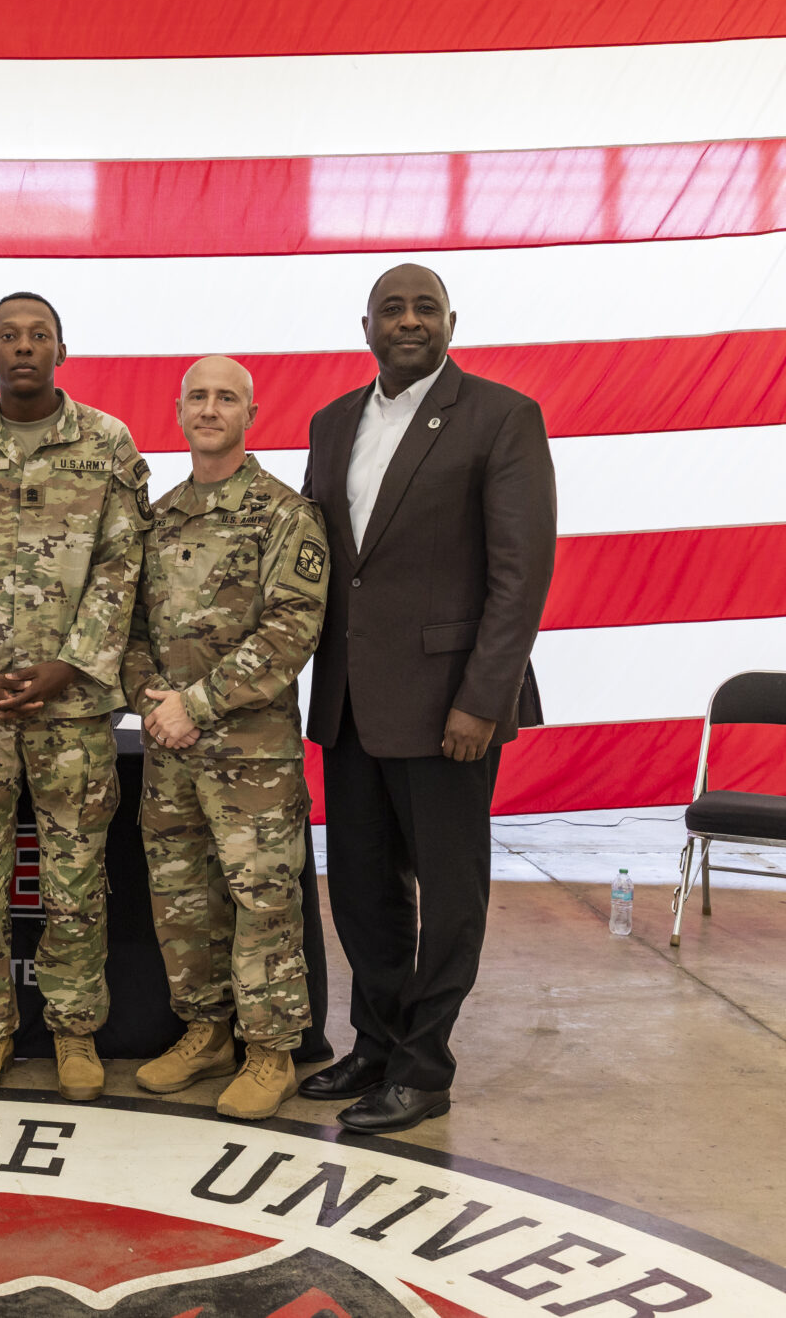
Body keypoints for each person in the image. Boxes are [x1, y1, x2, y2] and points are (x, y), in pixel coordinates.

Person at [299, 264, 557, 1133]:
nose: (408, 321)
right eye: (391, 309)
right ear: (365, 325)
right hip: (349, 703)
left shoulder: (501, 416)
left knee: (449, 895)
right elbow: (321, 564)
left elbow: (519, 576)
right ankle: (374, 1043)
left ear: (451, 320)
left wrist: (483, 696)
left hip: (450, 705)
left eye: (424, 308)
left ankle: (424, 1064)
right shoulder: (332, 424)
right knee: (363, 892)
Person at [0, 291, 151, 1102]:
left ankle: (74, 1032)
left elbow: (123, 567)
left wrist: (72, 665)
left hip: (72, 710)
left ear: (60, 349)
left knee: (75, 879)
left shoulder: (108, 444)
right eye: (8, 336)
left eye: (37, 335)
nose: (23, 347)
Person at [123, 356, 330, 1121]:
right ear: (178, 410)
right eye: (199, 396)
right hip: (170, 752)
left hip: (252, 758)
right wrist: (149, 695)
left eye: (227, 397)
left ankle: (270, 1050)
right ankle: (206, 1031)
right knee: (182, 900)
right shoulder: (160, 515)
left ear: (250, 412)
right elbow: (132, 624)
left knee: (262, 900)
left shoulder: (283, 513)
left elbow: (291, 628)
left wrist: (195, 703)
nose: (211, 408)